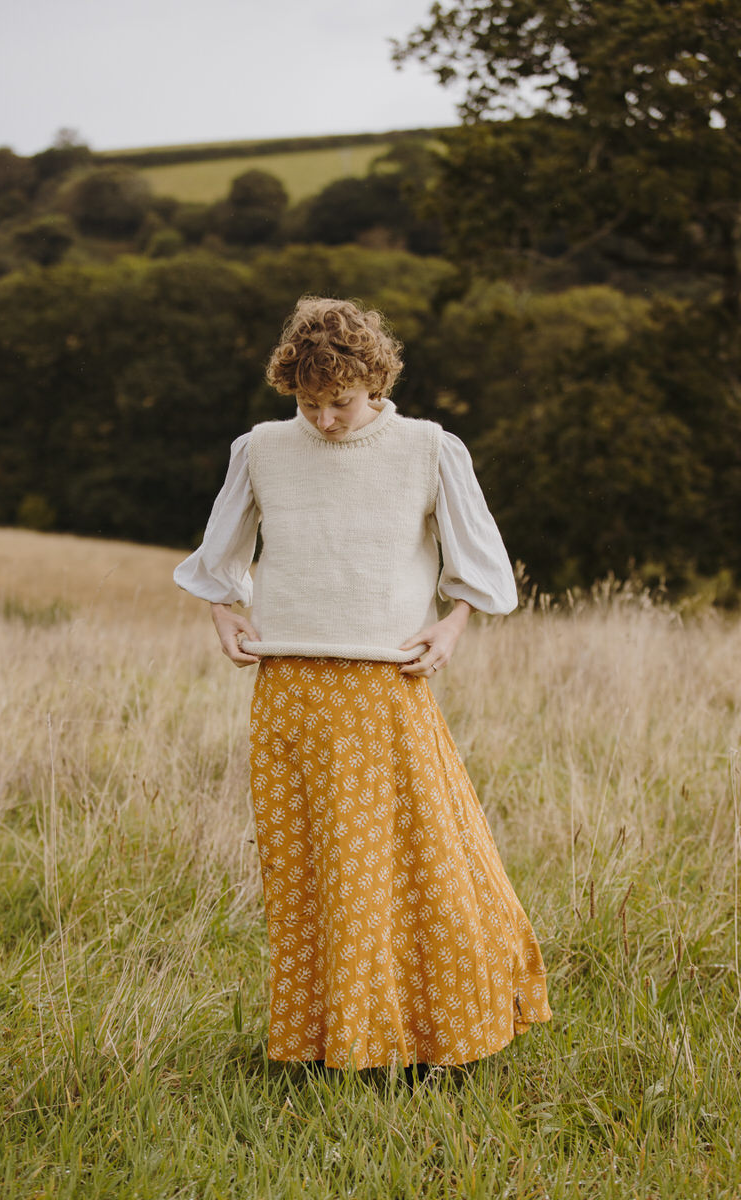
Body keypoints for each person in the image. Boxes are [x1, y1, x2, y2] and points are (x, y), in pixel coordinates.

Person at [174, 295, 551, 1073]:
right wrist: (225, 615)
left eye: (340, 402)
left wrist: (448, 631)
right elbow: (217, 562)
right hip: (289, 686)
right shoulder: (263, 449)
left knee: (424, 864)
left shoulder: (428, 448)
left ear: (374, 381)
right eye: (310, 404)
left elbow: (479, 573)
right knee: (313, 874)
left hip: (386, 685)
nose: (325, 421)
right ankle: (332, 1044)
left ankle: (437, 1032)